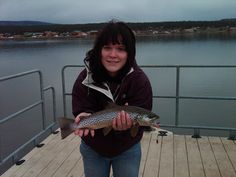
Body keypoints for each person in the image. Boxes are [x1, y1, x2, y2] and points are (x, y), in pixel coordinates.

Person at [72, 20, 153, 177]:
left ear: (130, 53)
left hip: (127, 148)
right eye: (107, 48)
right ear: (99, 50)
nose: (113, 55)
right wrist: (82, 114)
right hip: (93, 147)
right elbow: (81, 106)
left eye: (121, 49)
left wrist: (127, 128)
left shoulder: (140, 81)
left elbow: (141, 124)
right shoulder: (85, 78)